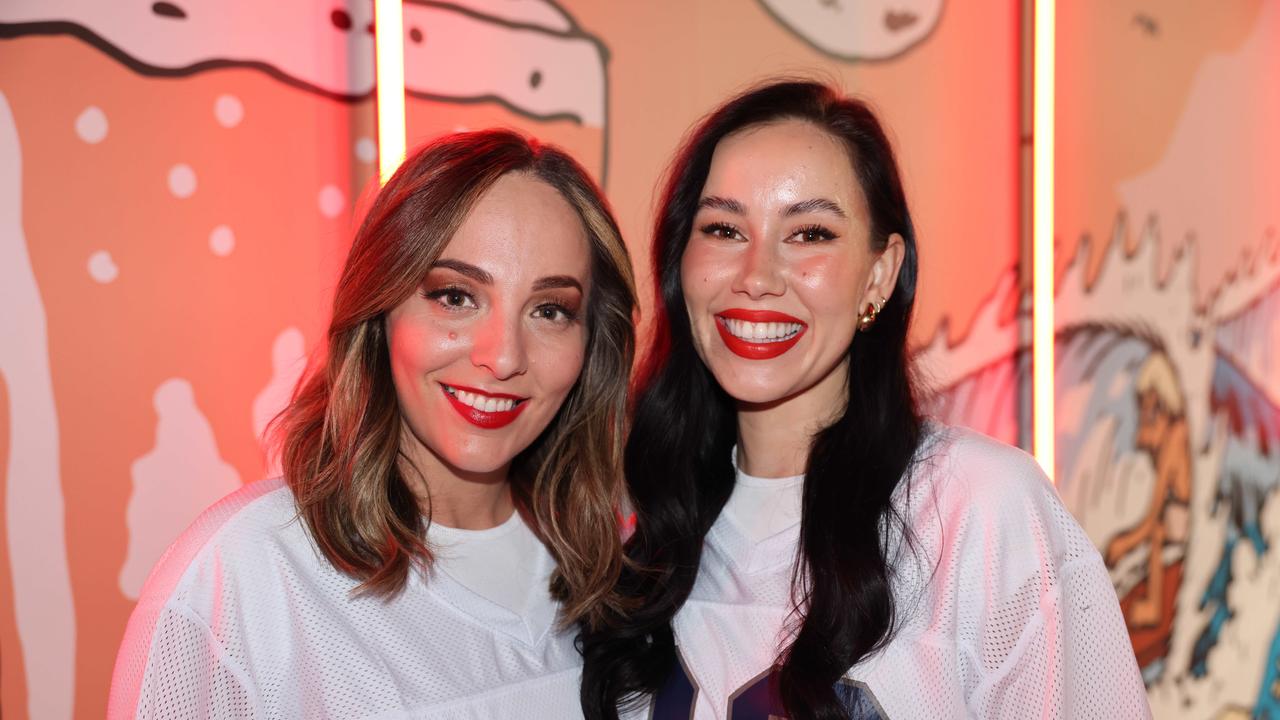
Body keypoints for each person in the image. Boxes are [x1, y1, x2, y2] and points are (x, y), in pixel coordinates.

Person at [579, 81, 1150, 719]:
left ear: (879, 273)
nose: (757, 277)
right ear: (681, 264)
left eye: (811, 234)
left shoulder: (979, 507)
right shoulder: (632, 520)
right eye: (723, 229)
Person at [109, 129, 637, 719]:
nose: (504, 355)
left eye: (550, 310)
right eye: (456, 296)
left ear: (592, 344)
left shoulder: (617, 560)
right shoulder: (245, 576)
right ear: (379, 310)